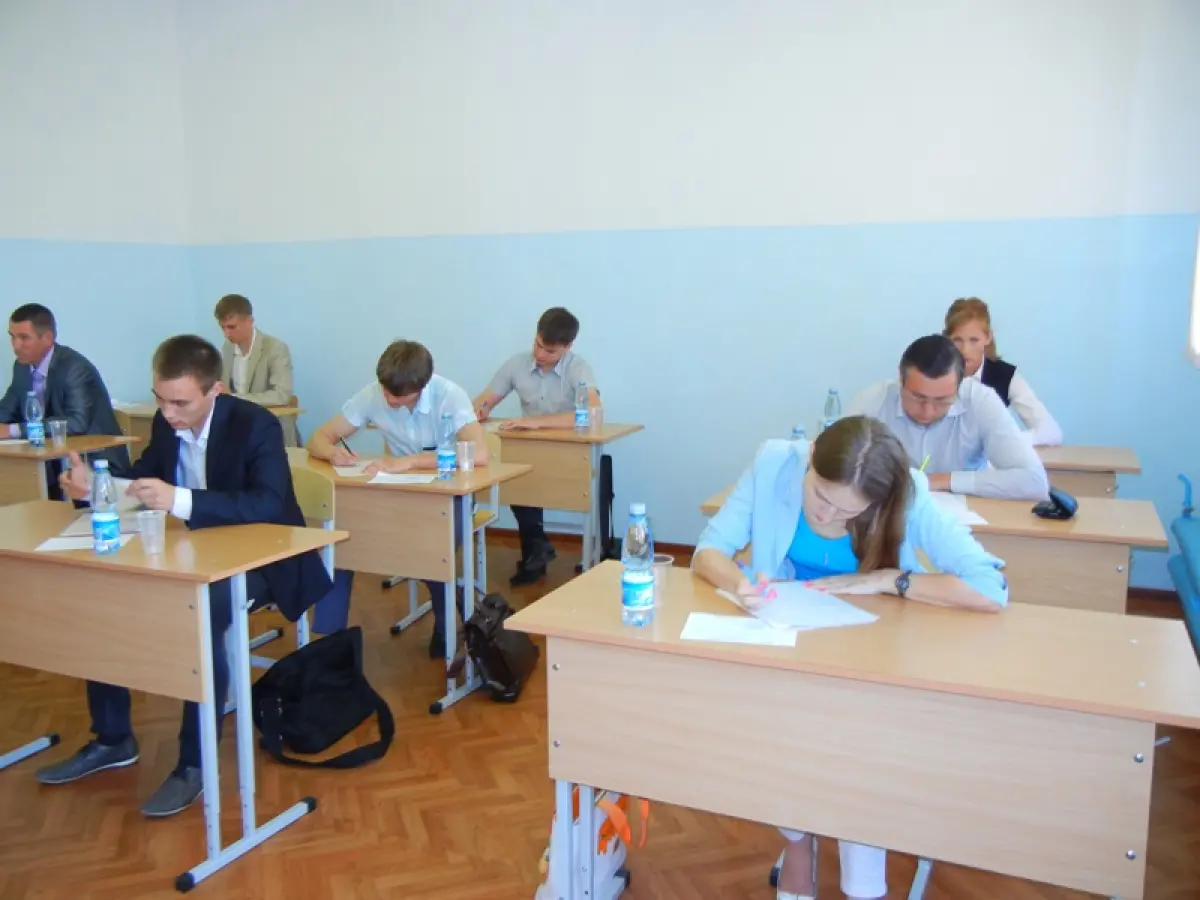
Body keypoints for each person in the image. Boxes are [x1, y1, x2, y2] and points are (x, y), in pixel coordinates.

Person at [692, 415, 1008, 900]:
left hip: (869, 658)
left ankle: (861, 882)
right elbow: (709, 551)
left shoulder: (907, 493)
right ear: (811, 455)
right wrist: (739, 583)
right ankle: (798, 844)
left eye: (848, 512)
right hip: (788, 644)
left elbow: (989, 588)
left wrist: (887, 579)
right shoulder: (775, 462)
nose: (827, 516)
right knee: (784, 729)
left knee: (857, 749)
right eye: (820, 496)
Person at [37, 335, 333, 818]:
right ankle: (112, 738)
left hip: (268, 555)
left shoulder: (255, 423)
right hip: (194, 548)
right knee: (104, 593)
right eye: (160, 399)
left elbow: (268, 503)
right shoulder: (166, 421)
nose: (168, 413)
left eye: (180, 403)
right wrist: (99, 489)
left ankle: (194, 763)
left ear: (215, 390)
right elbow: (146, 483)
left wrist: (179, 499)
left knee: (202, 610)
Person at [307, 339, 488, 657]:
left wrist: (411, 462)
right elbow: (318, 437)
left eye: (398, 395)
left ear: (422, 386)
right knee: (339, 543)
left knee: (433, 550)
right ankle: (327, 643)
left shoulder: (450, 395)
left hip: (449, 495)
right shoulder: (374, 393)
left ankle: (447, 625)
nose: (389, 399)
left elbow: (479, 455)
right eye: (386, 391)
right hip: (396, 494)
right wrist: (332, 453)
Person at [472, 307, 601, 586]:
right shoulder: (517, 364)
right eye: (538, 345)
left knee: (535, 481)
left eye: (550, 351)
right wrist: (480, 409)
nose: (541, 355)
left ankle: (537, 550)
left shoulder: (578, 368)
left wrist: (536, 423)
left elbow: (591, 414)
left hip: (568, 452)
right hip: (528, 451)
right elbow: (484, 400)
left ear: (568, 347)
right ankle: (536, 548)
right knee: (513, 477)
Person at [847, 335, 1049, 501]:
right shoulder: (872, 401)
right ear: (901, 380)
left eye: (942, 400)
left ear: (960, 385)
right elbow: (835, 467)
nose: (927, 411)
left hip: (965, 520)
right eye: (918, 397)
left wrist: (941, 481)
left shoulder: (981, 401)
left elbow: (1034, 481)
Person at [0, 303, 127, 470]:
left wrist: (13, 430)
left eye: (24, 338)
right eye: (12, 337)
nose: (16, 346)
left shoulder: (75, 369)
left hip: (93, 460)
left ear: (48, 338)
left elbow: (77, 423)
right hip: (51, 457)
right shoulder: (22, 367)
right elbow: (7, 409)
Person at [943, 297, 1062, 446]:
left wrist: (1005, 440)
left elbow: (1051, 432)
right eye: (957, 340)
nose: (965, 350)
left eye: (974, 340)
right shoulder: (933, 375)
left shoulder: (1006, 376)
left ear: (988, 337)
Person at [214, 293, 298, 446]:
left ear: (249, 321)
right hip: (239, 427)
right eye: (222, 327)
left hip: (272, 428)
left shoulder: (275, 348)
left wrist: (235, 398)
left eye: (231, 327)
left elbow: (282, 395)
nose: (226, 334)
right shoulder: (226, 348)